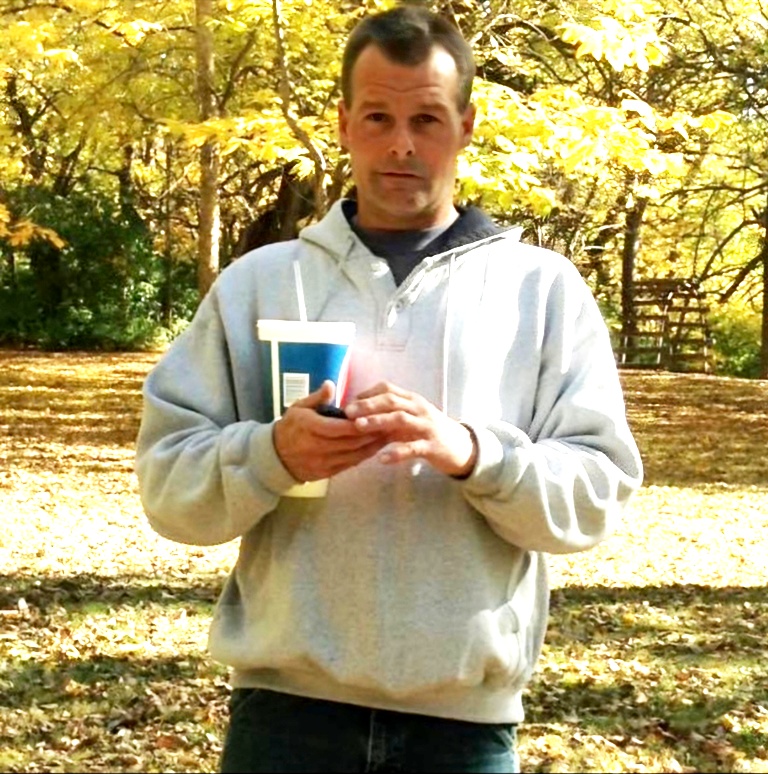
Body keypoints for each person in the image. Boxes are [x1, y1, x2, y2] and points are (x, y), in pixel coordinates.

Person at [135, 4, 643, 773]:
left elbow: (597, 495)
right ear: (345, 124)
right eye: (378, 116)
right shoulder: (259, 285)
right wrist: (272, 454)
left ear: (466, 127)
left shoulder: (541, 292)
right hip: (284, 721)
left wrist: (475, 455)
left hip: (462, 732)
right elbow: (169, 490)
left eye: (427, 119)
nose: (402, 143)